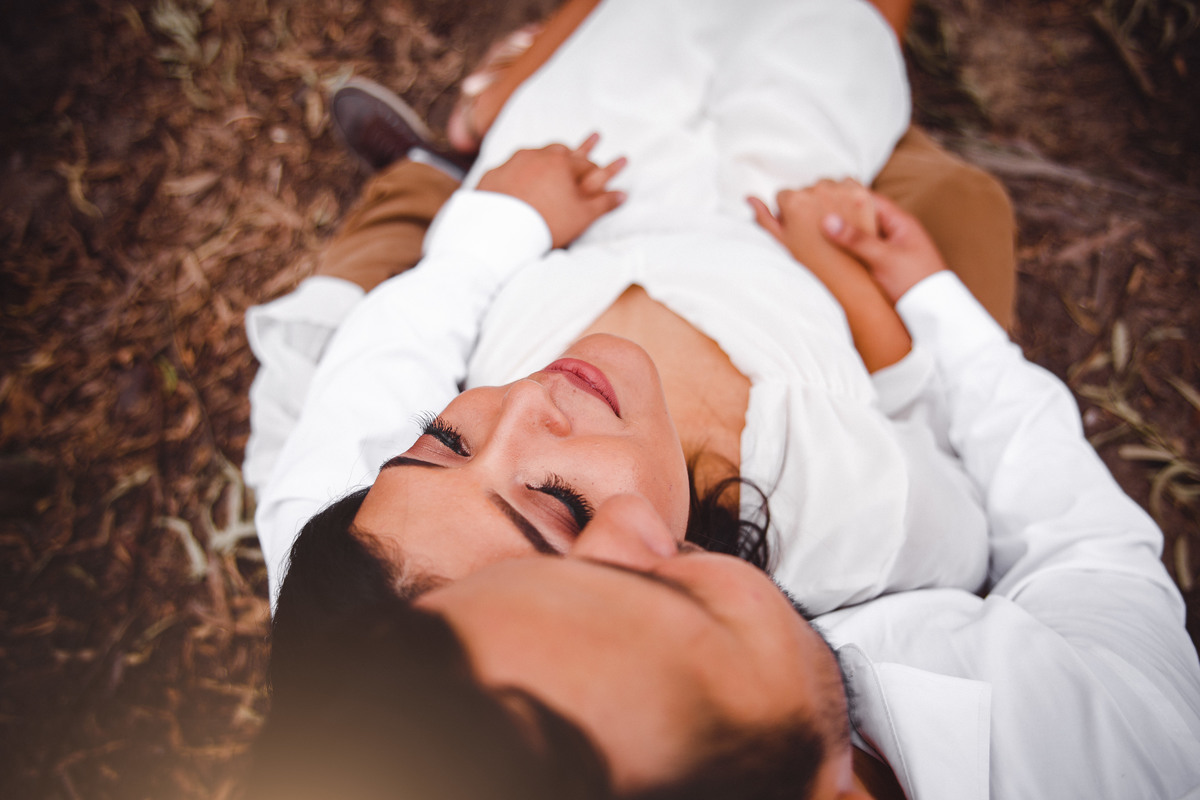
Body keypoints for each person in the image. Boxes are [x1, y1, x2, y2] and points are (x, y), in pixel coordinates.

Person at [247, 188, 1200, 799]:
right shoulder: (1125, 748)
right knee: (970, 200)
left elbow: (359, 398)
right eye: (660, 601)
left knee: (373, 257)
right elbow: (1081, 552)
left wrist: (494, 217)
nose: (632, 526)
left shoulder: (342, 565)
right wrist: (917, 313)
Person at [245, 0, 1008, 623]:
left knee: (629, 29)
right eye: (553, 501)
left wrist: (509, 214)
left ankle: (480, 119)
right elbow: (933, 441)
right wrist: (852, 281)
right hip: (787, 211)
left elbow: (391, 344)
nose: (522, 406)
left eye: (440, 437)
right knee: (838, 39)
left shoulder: (361, 551)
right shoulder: (852, 519)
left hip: (582, 187)